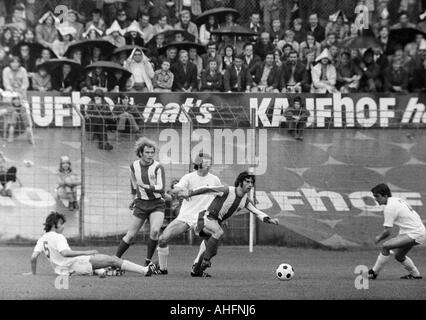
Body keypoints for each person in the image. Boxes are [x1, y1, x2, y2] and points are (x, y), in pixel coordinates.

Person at [181, 171, 279, 276]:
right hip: (206, 217)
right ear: (240, 182)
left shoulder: (245, 200)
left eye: (252, 182)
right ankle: (206, 260)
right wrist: (190, 192)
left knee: (212, 249)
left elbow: (257, 212)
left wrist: (269, 220)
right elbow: (207, 189)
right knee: (218, 232)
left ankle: (196, 270)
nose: (250, 185)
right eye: (247, 181)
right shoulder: (227, 191)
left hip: (215, 222)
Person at [27, 212, 157, 277]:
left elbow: (33, 257)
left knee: (104, 262)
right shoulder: (58, 236)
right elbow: (65, 253)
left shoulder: (42, 239)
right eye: (61, 223)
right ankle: (145, 270)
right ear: (55, 225)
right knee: (113, 260)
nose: (63, 226)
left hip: (62, 271)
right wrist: (86, 252)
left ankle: (104, 271)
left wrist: (33, 274)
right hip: (74, 264)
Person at [157, 152, 221, 276]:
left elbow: (221, 196)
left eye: (210, 162)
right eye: (206, 162)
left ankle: (196, 266)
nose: (209, 164)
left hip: (203, 218)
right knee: (162, 239)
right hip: (185, 217)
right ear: (198, 164)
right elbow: (176, 189)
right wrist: (181, 191)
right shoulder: (188, 177)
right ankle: (162, 269)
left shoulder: (214, 179)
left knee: (212, 237)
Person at [115, 137, 166, 267]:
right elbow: (133, 183)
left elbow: (161, 188)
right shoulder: (134, 166)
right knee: (130, 235)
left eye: (152, 152)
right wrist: (134, 198)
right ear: (141, 153)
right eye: (147, 152)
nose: (150, 155)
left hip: (157, 204)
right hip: (141, 204)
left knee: (154, 231)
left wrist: (146, 186)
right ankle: (114, 260)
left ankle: (147, 263)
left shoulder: (158, 167)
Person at [368, 183, 425, 280]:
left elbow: (387, 232)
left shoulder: (389, 207)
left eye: (377, 196)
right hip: (415, 231)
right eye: (374, 196)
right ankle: (415, 275)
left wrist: (378, 238)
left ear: (385, 195)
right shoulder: (395, 200)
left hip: (415, 233)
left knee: (385, 246)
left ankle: (374, 272)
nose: (375, 199)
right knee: (399, 256)